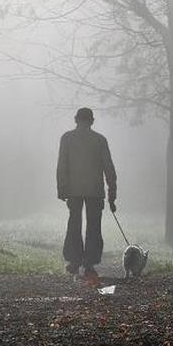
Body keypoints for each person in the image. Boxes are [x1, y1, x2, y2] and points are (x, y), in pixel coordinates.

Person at [56, 107, 117, 278]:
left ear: (76, 120)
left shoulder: (67, 138)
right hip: (95, 190)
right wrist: (112, 194)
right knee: (94, 227)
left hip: (73, 190)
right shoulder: (99, 140)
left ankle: (74, 261)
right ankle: (90, 263)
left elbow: (62, 165)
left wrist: (62, 188)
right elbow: (109, 168)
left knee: (74, 224)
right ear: (92, 121)